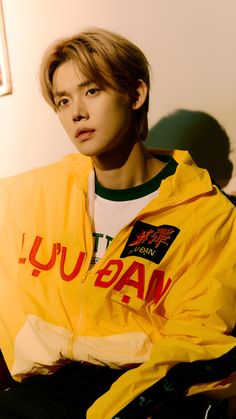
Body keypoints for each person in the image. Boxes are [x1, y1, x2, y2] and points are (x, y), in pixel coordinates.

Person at [0, 27, 235, 419]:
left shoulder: (209, 217)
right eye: (62, 100)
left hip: (144, 394)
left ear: (136, 94)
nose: (76, 112)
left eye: (92, 90)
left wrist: (111, 410)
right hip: (43, 386)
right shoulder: (38, 194)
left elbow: (197, 341)